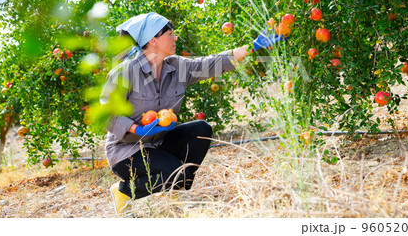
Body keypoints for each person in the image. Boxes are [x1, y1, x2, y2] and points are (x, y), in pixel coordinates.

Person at [101, 12, 285, 217]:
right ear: (153, 40)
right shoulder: (126, 72)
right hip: (127, 151)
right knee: (180, 173)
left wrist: (253, 47)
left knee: (201, 130)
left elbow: (212, 63)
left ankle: (172, 189)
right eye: (170, 33)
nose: (175, 38)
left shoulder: (177, 66)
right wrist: (136, 128)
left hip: (157, 144)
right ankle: (123, 191)